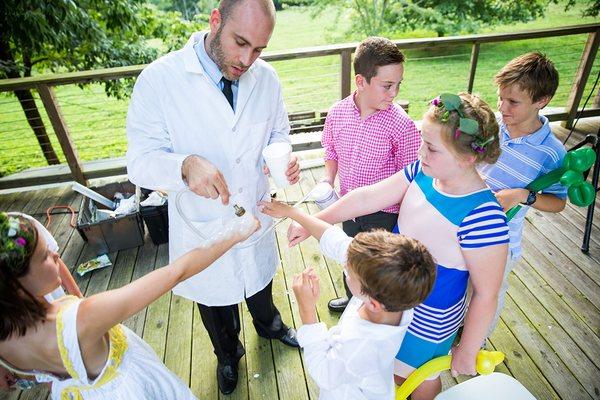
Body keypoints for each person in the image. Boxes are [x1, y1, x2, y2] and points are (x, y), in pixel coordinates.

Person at [126, 0, 301, 395]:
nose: (247, 59)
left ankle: (270, 325)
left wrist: (282, 158)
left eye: (259, 50)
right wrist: (183, 166)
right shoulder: (159, 80)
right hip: (202, 223)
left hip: (253, 211)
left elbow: (278, 132)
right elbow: (138, 162)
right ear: (215, 21)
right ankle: (227, 354)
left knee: (259, 279)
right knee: (214, 298)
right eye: (240, 43)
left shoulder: (266, 79)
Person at [287, 92, 510, 400]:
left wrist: (468, 349)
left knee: (418, 375)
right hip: (391, 301)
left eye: (431, 148)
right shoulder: (422, 172)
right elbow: (365, 198)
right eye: (422, 141)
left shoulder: (483, 216)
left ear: (468, 158)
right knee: (384, 365)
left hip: (429, 321)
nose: (421, 153)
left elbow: (487, 293)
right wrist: (313, 221)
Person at [0, 212, 259, 399]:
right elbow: (175, 273)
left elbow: (42, 376)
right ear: (16, 285)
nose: (57, 255)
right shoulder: (82, 320)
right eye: (45, 256)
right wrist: (237, 232)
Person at [259, 200, 436, 399]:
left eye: (349, 274)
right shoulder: (397, 293)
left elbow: (324, 372)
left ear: (373, 303)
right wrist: (293, 213)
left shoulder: (361, 345)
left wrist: (307, 310)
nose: (345, 268)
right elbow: (339, 242)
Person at [321, 37, 419, 313]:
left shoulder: (402, 126)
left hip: (385, 214)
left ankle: (374, 313)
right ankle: (353, 301)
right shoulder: (337, 113)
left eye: (399, 85)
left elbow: (412, 181)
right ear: (361, 81)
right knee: (350, 257)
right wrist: (328, 179)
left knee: (379, 272)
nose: (394, 93)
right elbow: (330, 150)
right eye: (387, 85)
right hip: (347, 208)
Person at [479, 52, 567, 336]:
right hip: (462, 226)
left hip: (501, 242)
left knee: (485, 298)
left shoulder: (552, 152)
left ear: (542, 101)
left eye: (513, 102)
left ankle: (473, 345)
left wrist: (521, 195)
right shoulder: (491, 125)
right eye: (501, 98)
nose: (503, 108)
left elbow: (558, 203)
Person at [0, 212, 83, 391]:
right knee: (54, 376)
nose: (54, 256)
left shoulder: (18, 227)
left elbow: (56, 259)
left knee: (76, 355)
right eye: (45, 256)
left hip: (62, 318)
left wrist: (78, 297)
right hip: (27, 341)